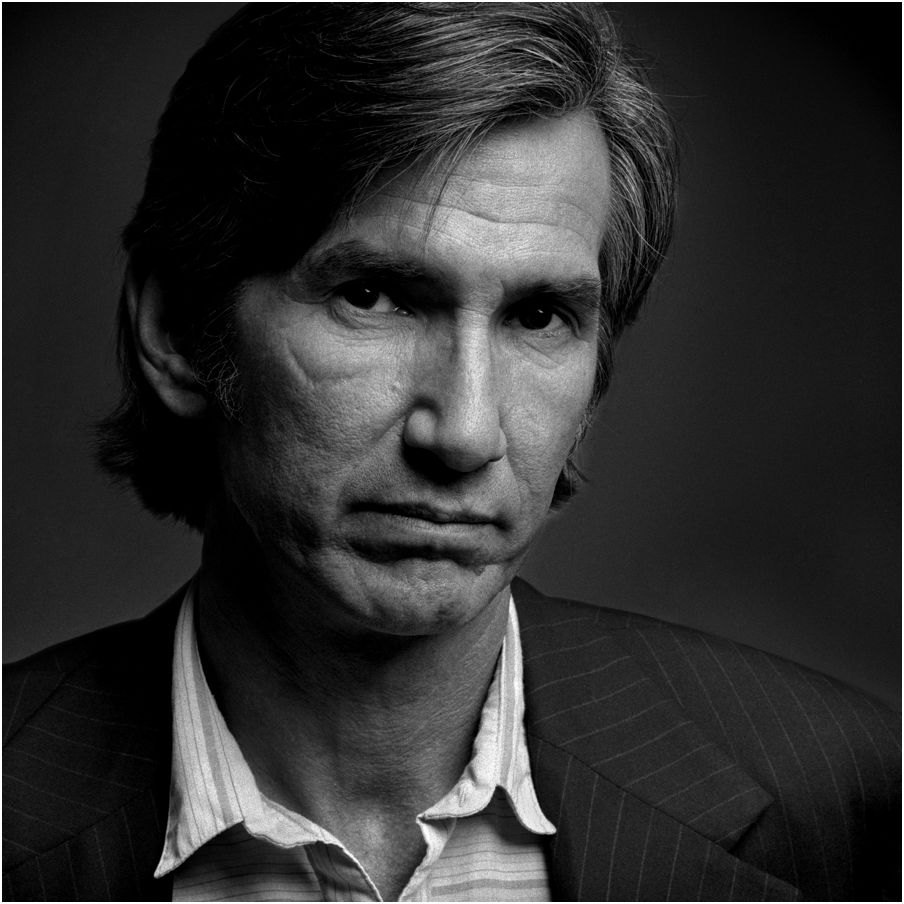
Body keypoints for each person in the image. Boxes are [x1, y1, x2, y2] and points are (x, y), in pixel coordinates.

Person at [3, 5, 898, 902]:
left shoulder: (843, 802)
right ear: (175, 332)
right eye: (373, 295)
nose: (466, 433)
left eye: (539, 316)